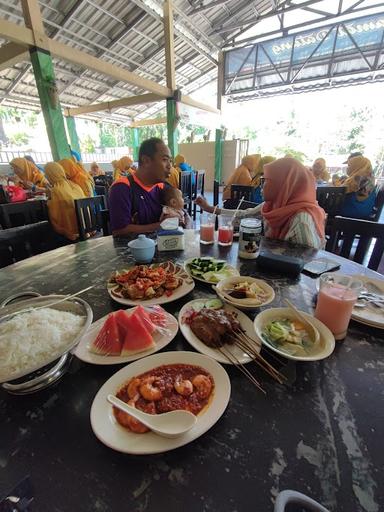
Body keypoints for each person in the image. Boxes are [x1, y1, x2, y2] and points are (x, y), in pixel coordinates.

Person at [196, 157, 326, 249]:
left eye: (266, 181)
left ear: (282, 185)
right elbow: (242, 215)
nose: (261, 185)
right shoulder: (272, 206)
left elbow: (308, 262)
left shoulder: (301, 219)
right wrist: (208, 208)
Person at [109, 138, 172, 236]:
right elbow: (120, 230)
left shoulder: (162, 186)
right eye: (165, 160)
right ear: (146, 161)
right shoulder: (122, 188)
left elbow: (182, 212)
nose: (169, 166)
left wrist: (185, 221)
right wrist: (162, 225)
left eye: (170, 161)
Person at [44, 162, 85, 241]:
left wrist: (49, 200)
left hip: (73, 232)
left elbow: (54, 215)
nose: (46, 177)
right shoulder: (74, 185)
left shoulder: (56, 190)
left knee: (45, 227)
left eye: (46, 174)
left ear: (51, 175)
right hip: (86, 228)